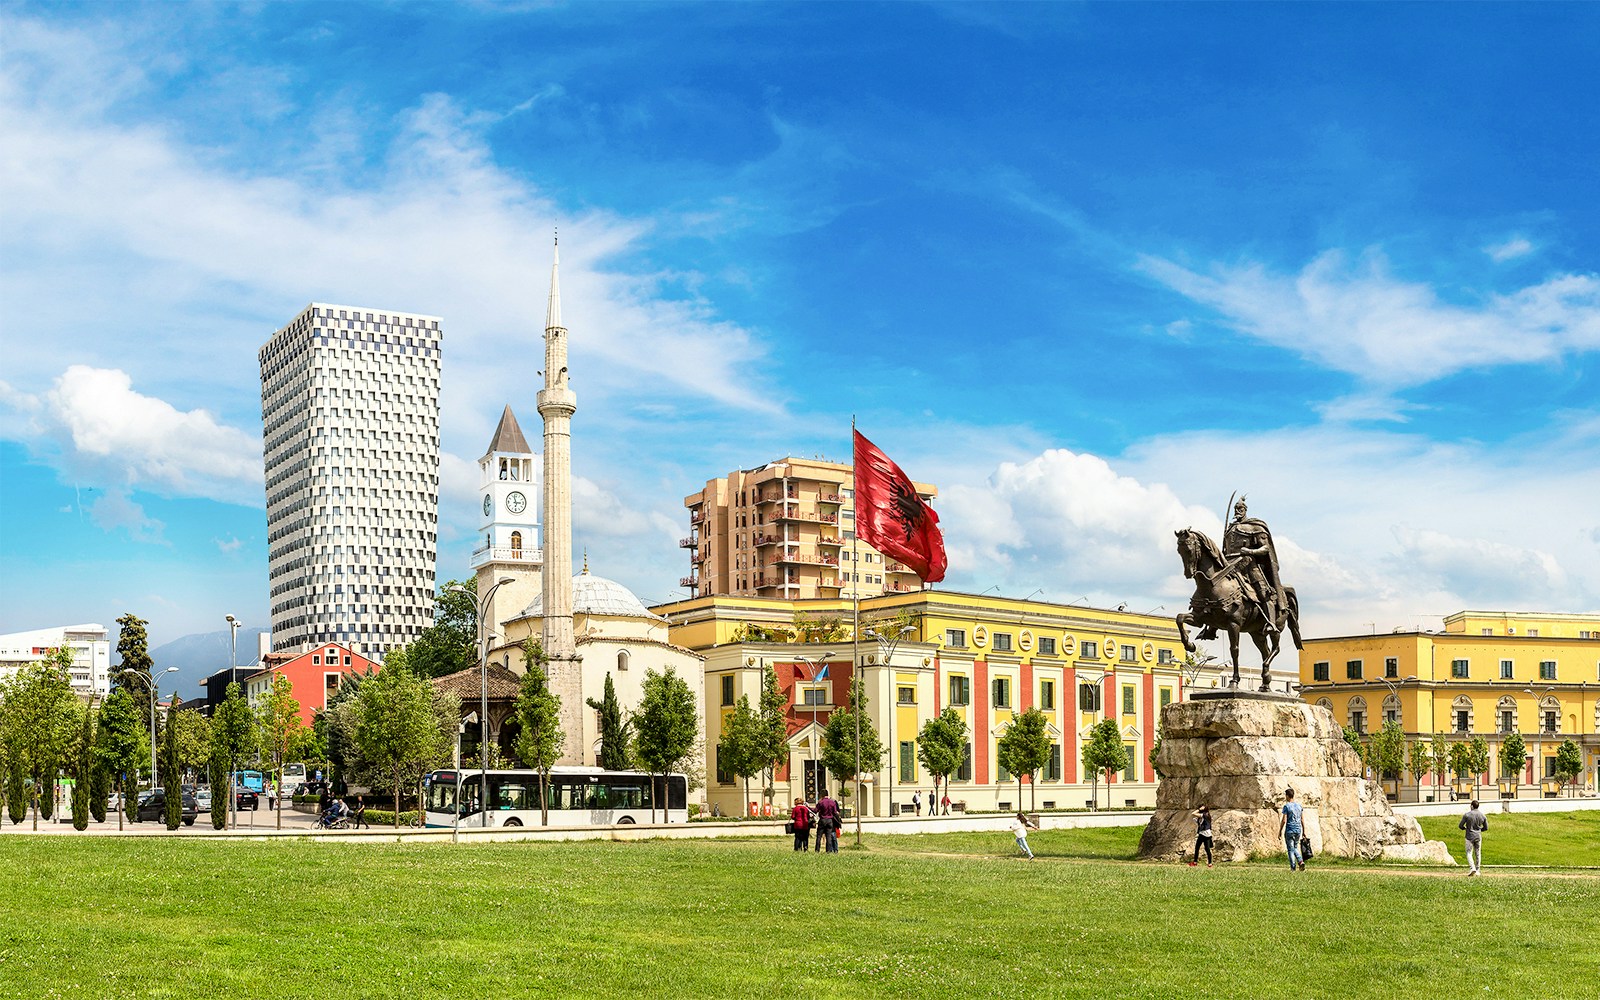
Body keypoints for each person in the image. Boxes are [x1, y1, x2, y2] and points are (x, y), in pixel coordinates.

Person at [1459, 799, 1488, 875]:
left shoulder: (1467, 815)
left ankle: (1472, 868)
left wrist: (1464, 828)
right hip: (1478, 836)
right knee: (1478, 853)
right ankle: (1478, 870)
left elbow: (1460, 825)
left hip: (1469, 836)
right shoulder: (1483, 816)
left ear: (1472, 806)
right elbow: (1486, 828)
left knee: (1469, 852)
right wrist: (1479, 830)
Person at [1278, 787, 1304, 871]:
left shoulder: (1286, 806)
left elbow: (1284, 820)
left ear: (1287, 796)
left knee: (1290, 849)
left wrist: (1280, 831)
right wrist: (1304, 831)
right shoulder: (1299, 806)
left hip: (1290, 830)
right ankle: (1300, 862)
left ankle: (1294, 867)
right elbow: (1302, 819)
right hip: (1298, 829)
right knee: (1295, 847)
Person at [816, 789, 841, 853]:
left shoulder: (820, 802)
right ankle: (828, 850)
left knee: (819, 836)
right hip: (830, 820)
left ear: (822, 795)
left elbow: (816, 810)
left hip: (822, 820)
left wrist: (809, 808)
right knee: (828, 836)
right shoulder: (832, 802)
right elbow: (835, 812)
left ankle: (817, 850)